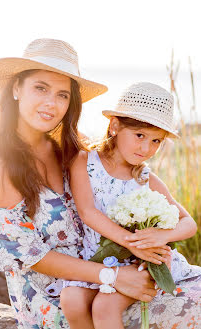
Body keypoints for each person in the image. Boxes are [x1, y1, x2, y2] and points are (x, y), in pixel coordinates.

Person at [0, 39, 161, 329]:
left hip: (105, 283)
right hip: (55, 301)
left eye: (62, 95)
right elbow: (34, 256)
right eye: (40, 88)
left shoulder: (73, 153)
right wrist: (113, 277)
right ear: (16, 89)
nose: (51, 103)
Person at [59, 82, 201, 329]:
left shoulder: (145, 178)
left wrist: (159, 236)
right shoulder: (85, 162)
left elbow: (189, 223)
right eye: (139, 136)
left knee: (105, 307)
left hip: (141, 263)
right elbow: (88, 211)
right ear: (114, 126)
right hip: (100, 260)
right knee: (71, 299)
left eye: (156, 141)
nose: (146, 148)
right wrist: (132, 243)